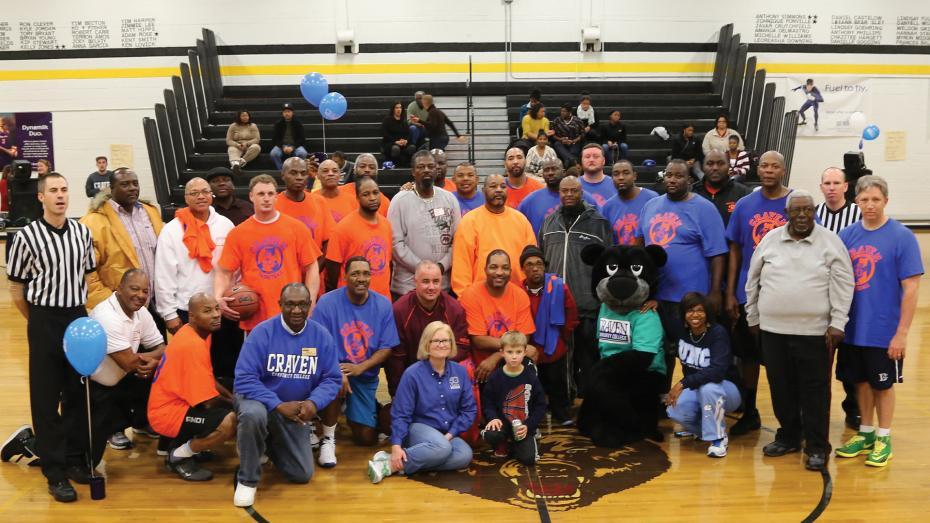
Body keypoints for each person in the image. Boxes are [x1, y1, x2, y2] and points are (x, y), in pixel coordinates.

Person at [745, 190, 854, 471]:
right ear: (787, 213)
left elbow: (844, 285)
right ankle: (789, 436)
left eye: (808, 210)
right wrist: (753, 316)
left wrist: (837, 323)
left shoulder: (831, 242)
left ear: (815, 211)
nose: (803, 215)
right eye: (797, 210)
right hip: (772, 330)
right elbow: (752, 280)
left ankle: (818, 446)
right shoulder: (770, 240)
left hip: (816, 333)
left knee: (815, 391)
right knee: (781, 387)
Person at [4, 173, 96, 502]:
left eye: (64, 189)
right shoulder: (26, 237)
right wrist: (37, 321)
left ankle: (74, 460)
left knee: (76, 392)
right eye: (53, 191)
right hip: (43, 318)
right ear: (41, 197)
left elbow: (87, 276)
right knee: (45, 398)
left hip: (76, 317)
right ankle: (54, 472)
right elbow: (16, 288)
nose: (60, 195)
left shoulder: (82, 232)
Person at [835, 175, 923, 468]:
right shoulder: (847, 235)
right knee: (859, 383)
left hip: (884, 329)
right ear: (856, 201)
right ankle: (867, 432)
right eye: (864, 200)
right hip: (852, 327)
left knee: (882, 385)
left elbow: (911, 288)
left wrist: (902, 333)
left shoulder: (902, 236)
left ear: (886, 200)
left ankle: (884, 437)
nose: (870, 205)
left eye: (875, 199)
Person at [232, 283, 342, 507]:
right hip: (260, 401)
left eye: (302, 304)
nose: (296, 310)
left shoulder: (321, 336)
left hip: (293, 411)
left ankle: (262, 442)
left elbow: (332, 378)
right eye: (290, 304)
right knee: (253, 415)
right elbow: (244, 379)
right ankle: (248, 479)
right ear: (280, 304)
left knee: (301, 474)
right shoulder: (262, 332)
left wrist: (313, 402)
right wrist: (277, 404)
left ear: (310, 305)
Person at [639, 159, 728, 390]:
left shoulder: (704, 208)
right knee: (660, 351)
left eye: (678, 176)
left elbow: (718, 253)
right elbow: (643, 249)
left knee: (693, 354)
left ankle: (697, 401)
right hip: (659, 298)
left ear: (689, 180)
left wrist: (715, 293)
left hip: (692, 299)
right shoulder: (650, 206)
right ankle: (661, 400)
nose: (672, 180)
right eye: (669, 175)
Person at [723, 151, 791, 437]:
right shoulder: (745, 204)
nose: (768, 170)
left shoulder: (795, 202)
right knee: (748, 357)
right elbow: (735, 249)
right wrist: (730, 292)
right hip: (747, 292)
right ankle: (750, 411)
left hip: (784, 292)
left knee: (781, 361)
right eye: (764, 165)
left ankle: (790, 420)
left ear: (783, 170)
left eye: (775, 166)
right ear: (757, 169)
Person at [312, 257, 400, 466]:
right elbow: (313, 344)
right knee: (333, 382)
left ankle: (366, 409)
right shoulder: (327, 302)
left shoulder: (382, 304)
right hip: (333, 369)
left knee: (366, 438)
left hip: (363, 374)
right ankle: (328, 440)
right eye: (355, 274)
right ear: (345, 277)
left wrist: (361, 367)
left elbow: (387, 347)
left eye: (365, 274)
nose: (361, 279)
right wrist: (335, 370)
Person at [368, 321, 476, 484]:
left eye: (446, 340)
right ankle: (389, 466)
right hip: (417, 429)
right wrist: (396, 445)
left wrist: (450, 433)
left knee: (464, 456)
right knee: (443, 448)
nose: (441, 345)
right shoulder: (412, 374)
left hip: (446, 433)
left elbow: (469, 410)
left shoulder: (459, 372)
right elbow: (400, 413)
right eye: (436, 341)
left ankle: (395, 462)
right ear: (427, 344)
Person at [148, 293, 238, 481]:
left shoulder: (199, 333)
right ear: (192, 316)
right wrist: (236, 405)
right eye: (207, 311)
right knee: (230, 421)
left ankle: (182, 444)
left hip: (177, 402)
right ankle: (179, 455)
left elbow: (208, 379)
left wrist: (231, 397)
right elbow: (208, 402)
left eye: (216, 309)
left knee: (232, 390)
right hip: (167, 414)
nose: (215, 315)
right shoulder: (192, 344)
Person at [215, 174, 322, 332]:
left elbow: (312, 267)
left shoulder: (296, 228)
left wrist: (310, 301)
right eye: (261, 194)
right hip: (255, 316)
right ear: (251, 196)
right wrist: (218, 297)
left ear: (276, 197)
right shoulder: (238, 233)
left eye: (270, 194)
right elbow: (224, 272)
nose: (266, 198)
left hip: (292, 313)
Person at [155, 177, 238, 376]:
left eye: (205, 191)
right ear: (186, 198)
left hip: (223, 309)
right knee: (194, 370)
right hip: (188, 313)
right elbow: (164, 274)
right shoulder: (172, 230)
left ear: (212, 195)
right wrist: (169, 314)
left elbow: (235, 266)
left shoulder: (226, 225)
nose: (201, 196)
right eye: (194, 193)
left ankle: (227, 404)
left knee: (225, 366)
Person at [538, 176, 611, 394]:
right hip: (555, 305)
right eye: (564, 191)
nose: (569, 195)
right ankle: (564, 401)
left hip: (587, 304)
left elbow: (607, 264)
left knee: (587, 358)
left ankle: (590, 403)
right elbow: (542, 259)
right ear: (558, 193)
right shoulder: (549, 222)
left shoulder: (598, 222)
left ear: (582, 192)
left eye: (574, 191)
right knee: (558, 358)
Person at [90, 270, 166, 451]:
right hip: (95, 382)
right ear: (119, 288)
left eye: (145, 291)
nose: (141, 295)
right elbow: (129, 363)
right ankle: (114, 429)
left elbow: (162, 347)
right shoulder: (107, 316)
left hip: (121, 372)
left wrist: (149, 360)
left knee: (157, 370)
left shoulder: (142, 312)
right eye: (134, 289)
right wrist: (147, 359)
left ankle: (142, 421)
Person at [665, 292, 741, 458]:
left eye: (700, 310)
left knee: (708, 389)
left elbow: (717, 371)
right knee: (675, 411)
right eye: (690, 311)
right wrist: (654, 301)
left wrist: (682, 383)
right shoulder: (681, 330)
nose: (695, 315)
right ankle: (704, 431)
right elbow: (663, 319)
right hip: (696, 386)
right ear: (684, 314)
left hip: (725, 389)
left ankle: (718, 438)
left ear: (707, 314)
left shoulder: (717, 333)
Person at [82, 168, 164, 316]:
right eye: (125, 184)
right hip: (118, 308)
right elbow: (86, 272)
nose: (132, 188)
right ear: (111, 189)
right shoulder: (93, 221)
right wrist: (109, 303)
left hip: (153, 305)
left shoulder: (151, 212)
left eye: (135, 183)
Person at [388, 260, 472, 396]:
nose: (431, 287)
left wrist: (437, 366)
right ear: (415, 282)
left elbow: (461, 347)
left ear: (442, 282)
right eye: (425, 281)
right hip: (412, 377)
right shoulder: (400, 310)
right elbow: (396, 357)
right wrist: (397, 394)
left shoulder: (454, 309)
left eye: (436, 281)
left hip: (446, 371)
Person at [519, 246, 578, 425]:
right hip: (528, 348)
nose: (535, 268)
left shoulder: (559, 286)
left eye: (539, 264)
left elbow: (571, 313)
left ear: (545, 267)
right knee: (531, 384)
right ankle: (533, 418)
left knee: (557, 382)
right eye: (529, 264)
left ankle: (562, 413)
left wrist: (563, 337)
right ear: (523, 269)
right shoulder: (517, 291)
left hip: (555, 346)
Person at [388, 150, 460, 297]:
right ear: (413, 172)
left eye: (430, 166)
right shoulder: (399, 200)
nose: (426, 170)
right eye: (421, 166)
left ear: (436, 169)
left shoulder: (449, 199)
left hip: (442, 286)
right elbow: (396, 243)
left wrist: (440, 267)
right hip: (407, 288)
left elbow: (458, 241)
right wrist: (424, 270)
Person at [451, 174, 537, 296]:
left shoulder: (521, 220)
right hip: (479, 297)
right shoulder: (469, 221)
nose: (498, 190)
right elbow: (461, 266)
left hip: (517, 295)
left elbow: (531, 259)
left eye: (503, 186)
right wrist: (464, 297)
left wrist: (527, 292)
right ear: (483, 190)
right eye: (493, 186)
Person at [459, 250, 536, 383]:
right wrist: (514, 345)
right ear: (485, 270)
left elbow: (525, 337)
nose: (499, 272)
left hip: (512, 362)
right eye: (494, 267)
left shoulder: (520, 295)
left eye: (505, 268)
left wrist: (497, 356)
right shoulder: (471, 294)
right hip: (482, 368)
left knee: (532, 354)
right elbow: (479, 341)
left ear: (511, 271)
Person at [482, 331, 547, 463]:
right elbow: (487, 402)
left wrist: (529, 425)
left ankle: (523, 441)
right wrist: (493, 418)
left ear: (524, 352)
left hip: (523, 424)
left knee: (528, 459)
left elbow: (541, 405)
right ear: (502, 353)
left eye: (518, 352)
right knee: (491, 434)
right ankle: (501, 442)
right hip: (503, 423)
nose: (514, 357)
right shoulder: (495, 377)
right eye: (510, 352)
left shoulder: (530, 377)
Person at [326, 176, 394, 299]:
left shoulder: (386, 224)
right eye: (366, 194)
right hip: (352, 300)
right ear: (357, 198)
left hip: (382, 300)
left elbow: (388, 262)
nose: (372, 198)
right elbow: (332, 268)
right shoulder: (343, 228)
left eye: (375, 193)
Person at [273, 157, 335, 260]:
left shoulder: (320, 202)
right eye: (293, 173)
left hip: (317, 270)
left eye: (303, 173)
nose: (299, 177)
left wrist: (314, 271)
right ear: (283, 175)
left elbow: (328, 242)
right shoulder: (274, 205)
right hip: (285, 272)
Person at [518, 158, 597, 236]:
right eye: (546, 170)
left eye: (554, 169)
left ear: (563, 172)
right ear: (542, 174)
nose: (550, 173)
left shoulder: (584, 197)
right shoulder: (530, 201)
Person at [600, 160, 659, 245]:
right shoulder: (608, 206)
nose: (621, 177)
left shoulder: (652, 198)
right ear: (612, 178)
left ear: (634, 176)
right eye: (616, 174)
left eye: (626, 173)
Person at [693, 150, 752, 227]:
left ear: (729, 166)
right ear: (703, 167)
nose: (715, 168)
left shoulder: (744, 194)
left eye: (720, 163)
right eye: (710, 164)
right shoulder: (691, 192)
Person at [815, 166, 861, 234]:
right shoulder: (814, 213)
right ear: (821, 188)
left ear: (845, 187)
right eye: (827, 183)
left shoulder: (859, 213)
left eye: (836, 183)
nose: (832, 188)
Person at [270, 103, 308, 170]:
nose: (287, 113)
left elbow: (301, 139)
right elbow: (275, 139)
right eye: (285, 112)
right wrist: (283, 146)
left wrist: (293, 147)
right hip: (282, 145)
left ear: (292, 113)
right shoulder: (278, 124)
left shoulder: (298, 123)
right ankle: (281, 170)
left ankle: (296, 169)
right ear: (282, 113)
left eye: (288, 111)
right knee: (273, 153)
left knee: (302, 153)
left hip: (295, 145)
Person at [382, 102, 416, 167]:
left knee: (412, 147)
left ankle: (407, 165)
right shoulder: (387, 120)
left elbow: (408, 133)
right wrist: (396, 141)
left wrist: (406, 140)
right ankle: (394, 165)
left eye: (400, 108)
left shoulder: (404, 120)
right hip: (391, 142)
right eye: (397, 108)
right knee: (395, 148)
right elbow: (385, 134)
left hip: (403, 143)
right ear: (393, 109)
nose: (399, 109)